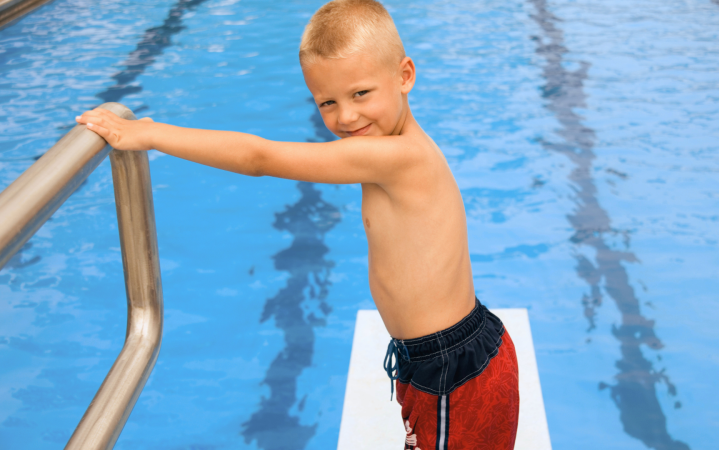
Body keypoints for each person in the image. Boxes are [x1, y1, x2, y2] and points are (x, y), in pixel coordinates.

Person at [75, 0, 519, 448]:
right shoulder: (390, 145)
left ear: (404, 76)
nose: (346, 117)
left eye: (360, 94)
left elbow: (259, 157)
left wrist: (150, 133)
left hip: (454, 371)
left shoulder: (398, 157)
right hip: (437, 362)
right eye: (327, 102)